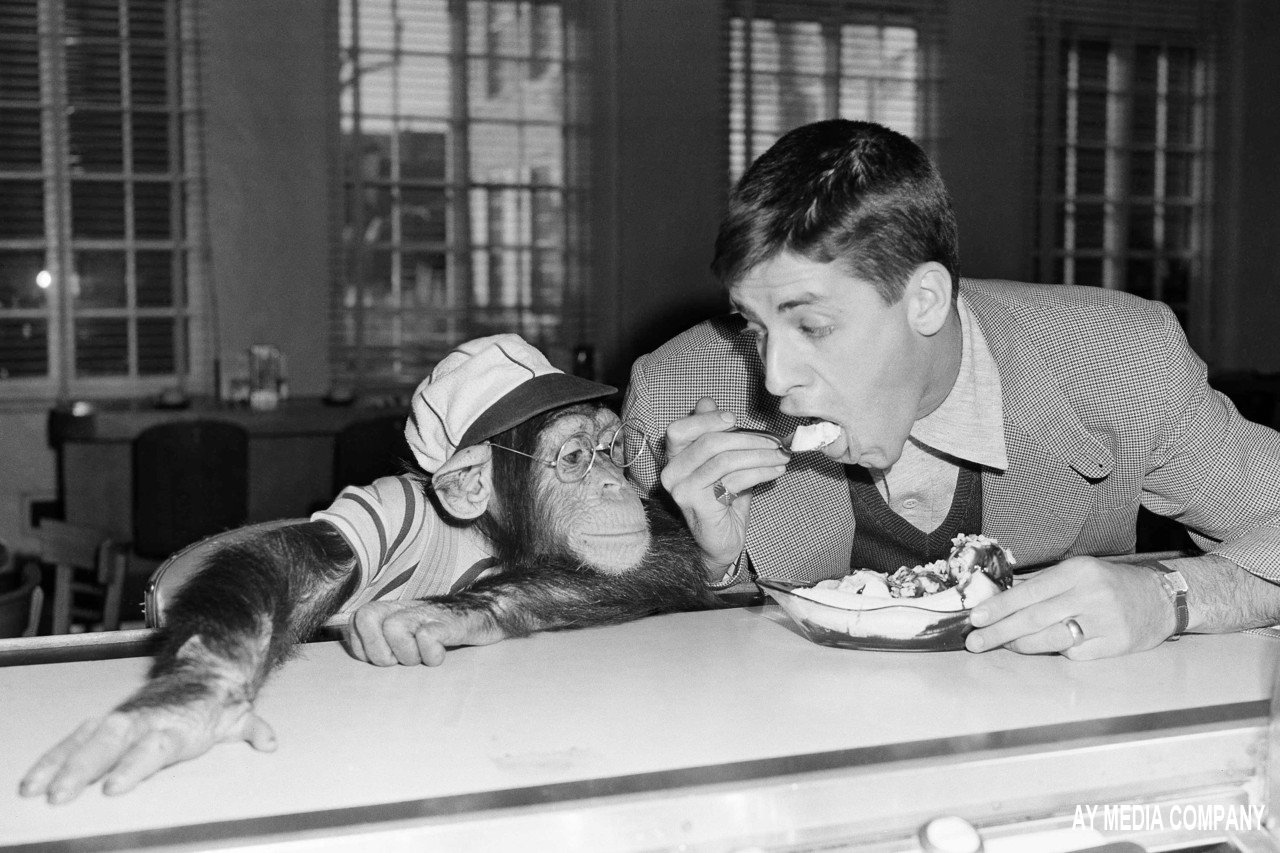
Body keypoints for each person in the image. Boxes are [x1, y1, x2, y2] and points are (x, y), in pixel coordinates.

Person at [624, 118, 1280, 661]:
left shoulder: (1120, 360)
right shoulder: (676, 396)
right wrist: (709, 564)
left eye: (814, 326)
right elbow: (630, 665)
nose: (773, 378)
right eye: (753, 324)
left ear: (926, 300)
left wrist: (1173, 595)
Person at [21, 334, 719, 804]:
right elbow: (277, 570)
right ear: (469, 484)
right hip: (335, 773)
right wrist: (201, 684)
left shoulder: (550, 519)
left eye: (606, 445)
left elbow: (668, 563)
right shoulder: (404, 514)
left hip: (487, 753)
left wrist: (491, 608)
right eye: (573, 455)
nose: (612, 482)